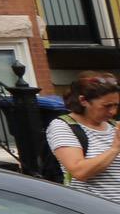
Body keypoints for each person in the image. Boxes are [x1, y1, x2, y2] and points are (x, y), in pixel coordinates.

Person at [47, 73, 120, 204]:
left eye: (116, 105)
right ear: (83, 101)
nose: (113, 112)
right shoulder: (63, 126)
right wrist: (114, 149)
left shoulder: (115, 127)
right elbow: (80, 172)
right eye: (107, 106)